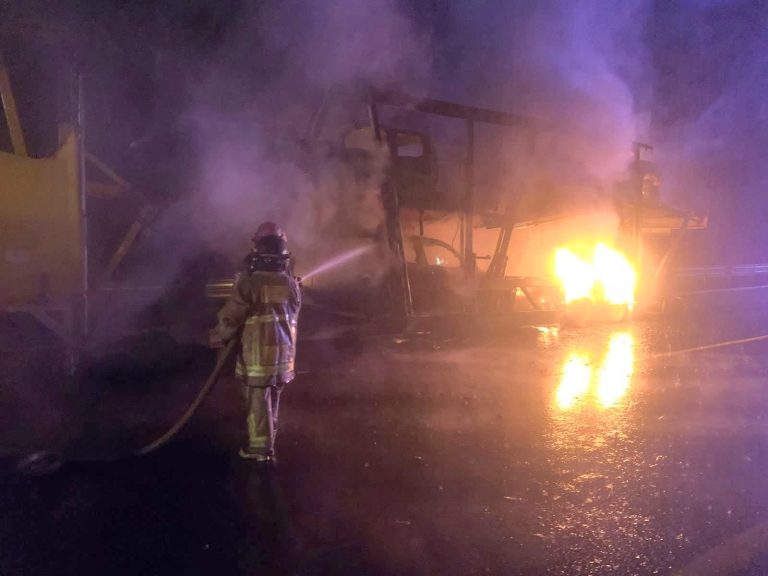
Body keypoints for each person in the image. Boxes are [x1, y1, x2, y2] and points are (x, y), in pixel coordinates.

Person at [211, 224, 301, 464]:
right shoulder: (291, 284)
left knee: (258, 405)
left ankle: (260, 452)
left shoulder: (249, 284)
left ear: (258, 248)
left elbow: (230, 318)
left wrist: (219, 335)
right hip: (283, 358)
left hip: (258, 357)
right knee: (273, 401)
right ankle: (268, 445)